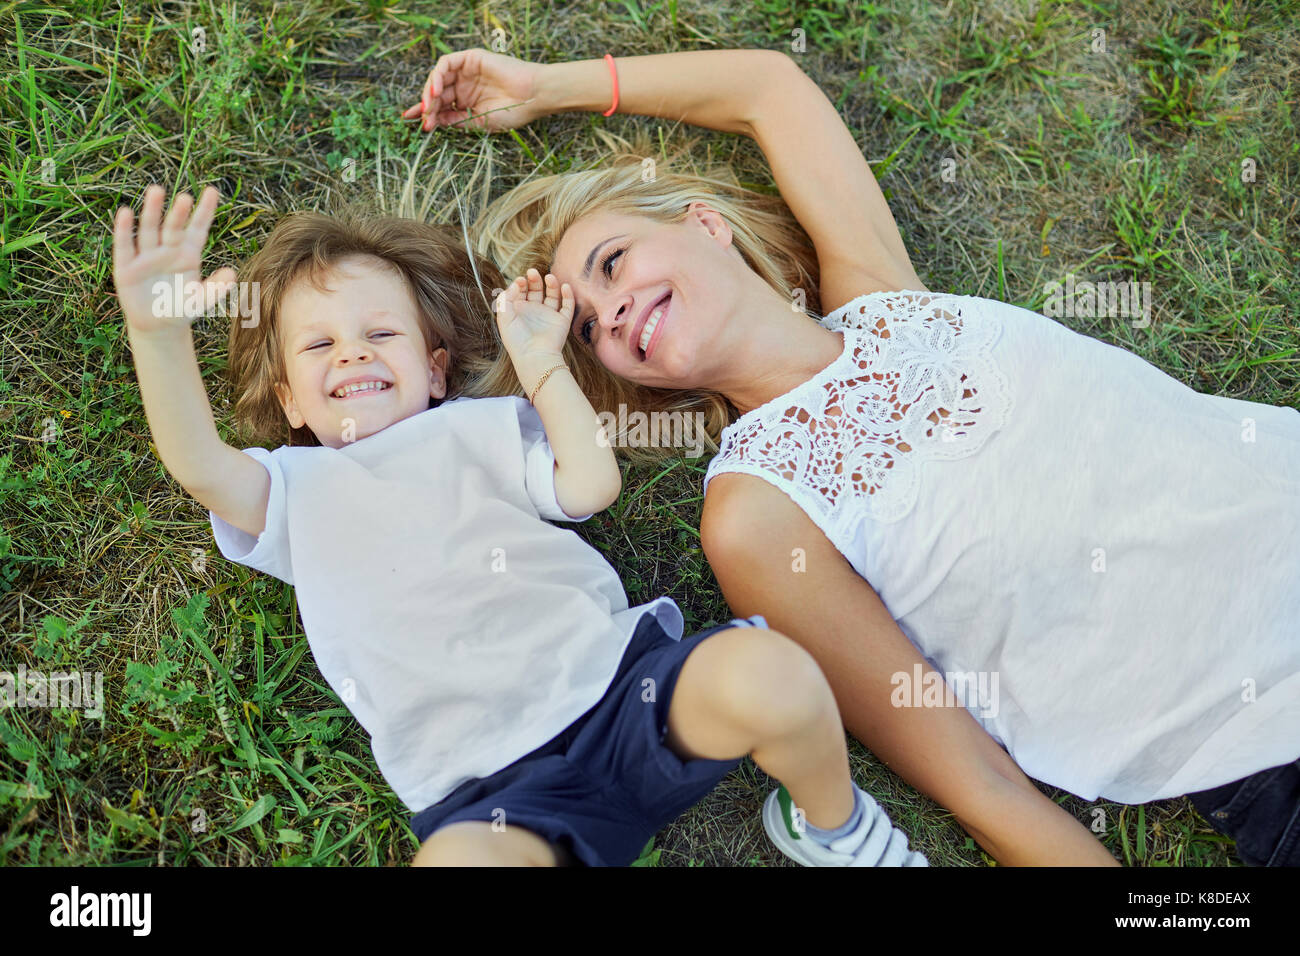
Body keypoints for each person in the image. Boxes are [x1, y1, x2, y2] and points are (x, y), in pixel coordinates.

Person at [416, 47, 1300, 866]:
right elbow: (977, 780)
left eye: (611, 264)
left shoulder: (884, 295)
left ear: (706, 227)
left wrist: (544, 87)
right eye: (586, 328)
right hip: (1262, 737)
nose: (608, 312)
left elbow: (770, 90)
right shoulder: (758, 515)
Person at [110, 183, 930, 867]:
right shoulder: (292, 490)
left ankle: (836, 828)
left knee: (772, 672)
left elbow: (589, 484)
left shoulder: (474, 429)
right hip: (491, 791)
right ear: (288, 400)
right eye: (318, 346)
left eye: (380, 335)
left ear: (435, 371)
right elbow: (196, 460)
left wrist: (539, 364)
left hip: (625, 695)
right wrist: (156, 332)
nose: (352, 356)